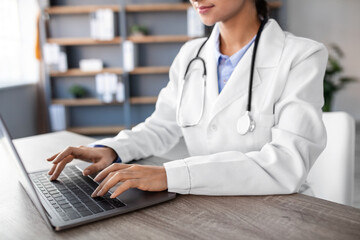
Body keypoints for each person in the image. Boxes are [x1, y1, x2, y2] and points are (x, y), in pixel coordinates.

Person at [47, 0, 328, 198]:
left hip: (277, 210)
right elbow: (161, 127)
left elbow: (287, 163)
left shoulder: (301, 56)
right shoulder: (191, 55)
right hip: (203, 205)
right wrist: (111, 149)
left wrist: (171, 175)